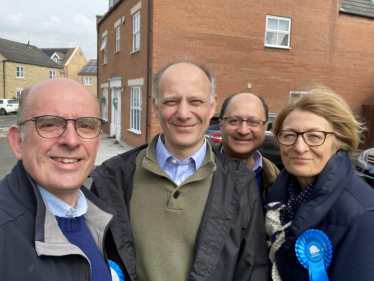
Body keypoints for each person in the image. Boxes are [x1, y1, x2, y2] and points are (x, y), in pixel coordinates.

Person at [90, 60, 269, 281]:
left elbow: (253, 270)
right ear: (155, 106)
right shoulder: (111, 178)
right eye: (171, 101)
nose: (183, 113)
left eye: (195, 101)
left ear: (212, 106)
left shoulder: (241, 183)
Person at [0, 78, 121, 281]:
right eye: (50, 124)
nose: (71, 141)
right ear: (17, 141)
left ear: (98, 142)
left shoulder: (98, 216)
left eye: (85, 125)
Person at [265, 86, 374, 281]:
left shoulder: (363, 215)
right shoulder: (278, 195)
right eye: (289, 135)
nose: (299, 147)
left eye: (315, 136)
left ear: (339, 141)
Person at [218, 93, 280, 207]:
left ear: (265, 127)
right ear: (221, 124)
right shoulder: (198, 169)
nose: (243, 130)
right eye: (234, 120)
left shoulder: (276, 178)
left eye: (254, 122)